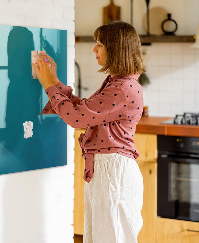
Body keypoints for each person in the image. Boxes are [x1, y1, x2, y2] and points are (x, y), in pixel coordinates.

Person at [32, 21, 145, 243]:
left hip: (113, 172)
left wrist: (48, 85)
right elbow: (84, 111)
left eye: (100, 44)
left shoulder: (122, 88)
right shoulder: (118, 83)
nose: (94, 49)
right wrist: (54, 81)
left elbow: (76, 118)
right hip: (107, 170)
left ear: (116, 48)